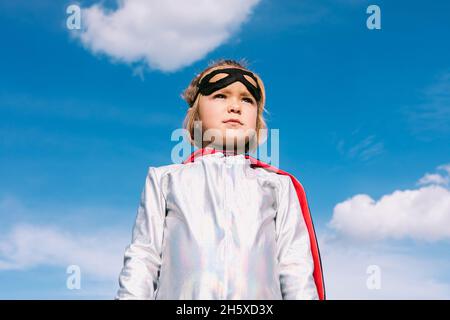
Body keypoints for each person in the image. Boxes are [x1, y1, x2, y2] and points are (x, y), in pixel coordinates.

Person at [116, 58, 325, 300]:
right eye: (220, 96)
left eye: (247, 99)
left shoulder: (278, 186)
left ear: (257, 120)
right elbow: (143, 258)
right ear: (197, 114)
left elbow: (295, 267)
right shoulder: (165, 180)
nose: (235, 107)